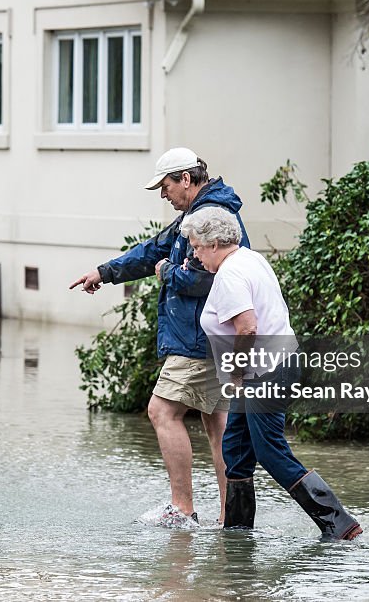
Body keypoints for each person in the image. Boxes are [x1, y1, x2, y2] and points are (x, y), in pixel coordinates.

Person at [70, 147, 249, 526]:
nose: (163, 195)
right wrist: (104, 272)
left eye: (165, 186)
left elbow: (206, 276)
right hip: (215, 335)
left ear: (186, 179)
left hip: (198, 338)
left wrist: (167, 273)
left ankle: (182, 510)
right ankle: (228, 517)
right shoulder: (200, 212)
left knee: (161, 411)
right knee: (217, 426)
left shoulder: (207, 217)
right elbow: (153, 250)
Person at [180, 205, 362, 540]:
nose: (194, 255)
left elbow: (248, 328)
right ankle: (236, 531)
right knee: (234, 449)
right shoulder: (250, 258)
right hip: (276, 364)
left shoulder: (230, 274)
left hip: (263, 373)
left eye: (196, 247)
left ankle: (339, 525)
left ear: (215, 243)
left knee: (270, 451)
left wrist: (234, 375)